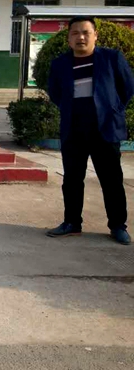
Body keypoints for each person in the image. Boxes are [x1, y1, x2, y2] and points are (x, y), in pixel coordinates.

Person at [46, 17, 134, 246]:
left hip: (104, 128)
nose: (81, 37)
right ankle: (72, 223)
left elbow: (127, 88)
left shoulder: (111, 58)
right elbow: (55, 92)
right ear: (68, 38)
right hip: (74, 128)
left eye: (86, 32)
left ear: (95, 35)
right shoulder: (60, 64)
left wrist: (112, 109)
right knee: (72, 179)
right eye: (75, 33)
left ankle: (118, 226)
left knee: (111, 179)